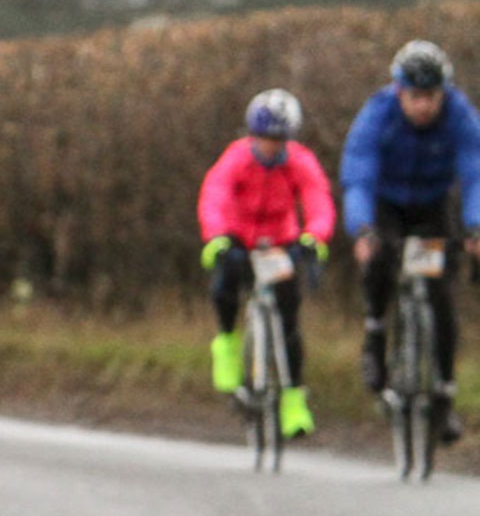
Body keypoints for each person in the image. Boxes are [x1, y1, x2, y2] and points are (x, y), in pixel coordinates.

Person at [340, 39, 480, 442]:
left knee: (439, 295)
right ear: (400, 91)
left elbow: (474, 173)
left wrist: (474, 227)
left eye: (432, 96)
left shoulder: (459, 115)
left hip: (432, 207)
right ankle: (375, 334)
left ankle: (444, 400)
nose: (424, 106)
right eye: (416, 97)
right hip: (385, 205)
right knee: (380, 261)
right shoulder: (377, 114)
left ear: (444, 93)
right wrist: (362, 229)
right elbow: (359, 174)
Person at [195, 88, 335, 438]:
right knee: (224, 287)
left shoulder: (299, 161)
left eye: (278, 139)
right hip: (238, 238)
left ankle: (293, 402)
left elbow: (318, 200)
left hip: (280, 242)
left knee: (289, 322)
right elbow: (215, 195)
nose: (271, 145)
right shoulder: (236, 159)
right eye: (264, 138)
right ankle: (226, 345)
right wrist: (216, 238)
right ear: (252, 135)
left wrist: (314, 238)